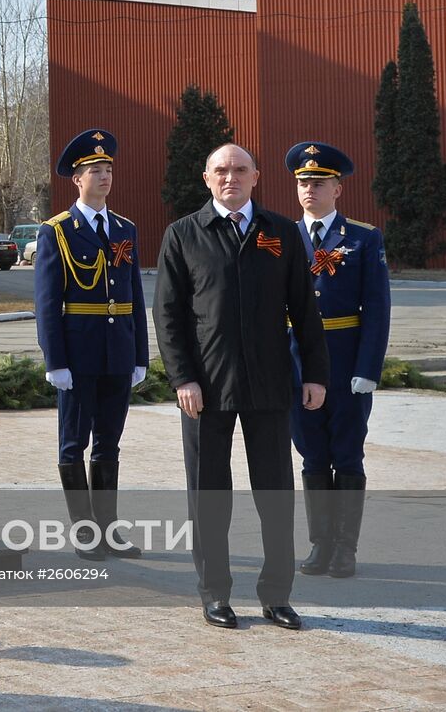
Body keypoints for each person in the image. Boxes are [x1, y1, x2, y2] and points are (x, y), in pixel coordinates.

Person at [154, 142, 329, 631]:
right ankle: (215, 594)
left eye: (240, 170)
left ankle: (277, 596)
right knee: (210, 495)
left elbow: (305, 309)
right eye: (221, 170)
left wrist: (315, 373)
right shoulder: (184, 235)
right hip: (205, 389)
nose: (230, 177)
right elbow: (167, 316)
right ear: (207, 179)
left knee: (274, 493)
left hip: (270, 386)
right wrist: (182, 378)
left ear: (257, 177)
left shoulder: (282, 233)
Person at [34, 129, 147, 560]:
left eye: (108, 170)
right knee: (72, 443)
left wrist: (140, 354)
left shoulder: (125, 228)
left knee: (108, 444)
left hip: (118, 352)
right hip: (78, 355)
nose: (103, 177)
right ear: (76, 179)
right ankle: (85, 532)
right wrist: (55, 359)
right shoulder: (58, 231)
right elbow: (47, 301)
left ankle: (109, 530)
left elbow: (134, 293)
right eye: (94, 171)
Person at [283, 142, 390, 579]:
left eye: (319, 182)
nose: (310, 189)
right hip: (296, 363)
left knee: (346, 453)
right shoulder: (280, 237)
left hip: (345, 360)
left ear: (338, 189)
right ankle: (320, 544)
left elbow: (377, 308)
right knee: (311, 455)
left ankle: (345, 547)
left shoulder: (363, 238)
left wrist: (368, 369)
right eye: (303, 182)